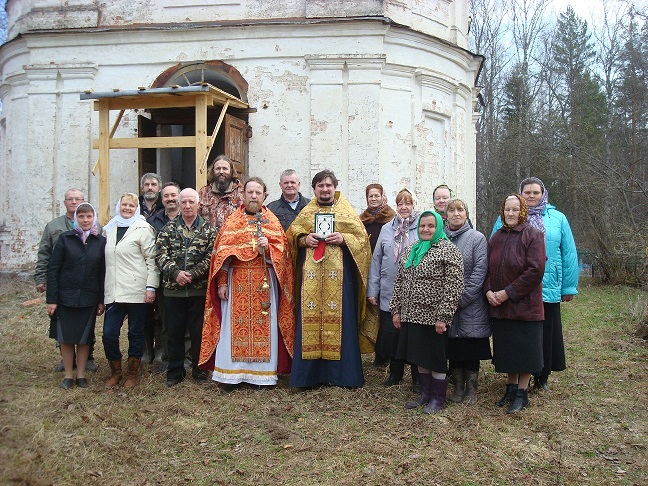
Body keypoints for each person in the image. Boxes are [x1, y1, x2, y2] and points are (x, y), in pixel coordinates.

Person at [199, 177, 295, 386]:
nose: (253, 196)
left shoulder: (273, 221)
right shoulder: (233, 221)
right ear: (243, 195)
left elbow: (284, 254)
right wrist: (222, 282)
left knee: (265, 326)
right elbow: (222, 256)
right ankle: (230, 376)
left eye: (257, 193)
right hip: (237, 283)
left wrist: (269, 247)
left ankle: (262, 377)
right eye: (250, 192)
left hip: (264, 284)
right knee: (232, 328)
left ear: (264, 196)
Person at [491, 177, 578, 392]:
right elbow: (494, 253)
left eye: (535, 192)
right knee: (521, 335)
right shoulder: (507, 218)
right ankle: (518, 381)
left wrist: (568, 286)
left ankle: (542, 376)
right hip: (514, 289)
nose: (531, 196)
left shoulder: (557, 218)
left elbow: (568, 253)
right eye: (527, 192)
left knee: (545, 334)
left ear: (543, 194)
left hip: (548, 286)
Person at [287, 170, 372, 388]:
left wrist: (345, 238)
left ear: (335, 187)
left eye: (328, 186)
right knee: (309, 322)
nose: (325, 189)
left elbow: (361, 240)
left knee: (342, 321)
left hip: (340, 280)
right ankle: (308, 377)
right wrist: (305, 239)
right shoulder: (307, 211)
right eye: (320, 186)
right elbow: (291, 236)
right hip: (311, 280)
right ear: (314, 189)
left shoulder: (346, 211)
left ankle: (344, 376)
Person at [390, 210, 464, 414]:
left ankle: (438, 399)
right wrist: (396, 310)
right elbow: (399, 282)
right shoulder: (411, 250)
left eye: (431, 226)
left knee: (435, 358)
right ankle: (425, 394)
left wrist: (443, 317)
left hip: (434, 318)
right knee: (420, 357)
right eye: (423, 225)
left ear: (439, 227)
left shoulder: (448, 250)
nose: (426, 229)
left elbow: (454, 286)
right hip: (411, 315)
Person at [486, 194, 546, 414]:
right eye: (506, 210)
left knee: (525, 350)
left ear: (522, 211)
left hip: (525, 306)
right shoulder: (497, 237)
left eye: (514, 210)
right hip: (501, 307)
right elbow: (488, 268)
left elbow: (535, 270)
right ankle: (510, 388)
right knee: (508, 350)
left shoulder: (533, 235)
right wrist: (489, 291)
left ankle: (522, 393)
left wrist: (508, 293)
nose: (510, 214)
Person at [156, 188, 217, 387]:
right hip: (173, 291)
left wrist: (193, 274)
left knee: (198, 332)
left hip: (198, 290)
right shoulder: (168, 229)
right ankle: (175, 372)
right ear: (179, 205)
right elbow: (160, 255)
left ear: (199, 204)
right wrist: (176, 273)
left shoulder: (209, 230)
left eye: (192, 202)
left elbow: (212, 256)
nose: (188, 206)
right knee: (174, 332)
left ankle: (200, 371)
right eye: (184, 202)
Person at [35, 188, 101, 372]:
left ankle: (86, 358)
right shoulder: (55, 228)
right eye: (70, 199)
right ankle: (66, 361)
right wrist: (41, 278)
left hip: (88, 290)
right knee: (63, 327)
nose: (73, 201)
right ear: (64, 202)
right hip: (65, 287)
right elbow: (46, 254)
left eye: (77, 199)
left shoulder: (98, 231)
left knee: (86, 328)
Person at [46, 203, 106, 389]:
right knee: (65, 337)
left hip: (89, 297)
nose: (85, 220)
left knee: (83, 337)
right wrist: (52, 299)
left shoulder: (100, 241)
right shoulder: (65, 239)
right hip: (65, 297)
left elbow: (103, 273)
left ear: (93, 218)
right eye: (81, 216)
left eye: (89, 216)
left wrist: (101, 300)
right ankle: (68, 375)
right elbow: (54, 269)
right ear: (76, 219)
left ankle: (81, 375)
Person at [102, 193, 159, 388]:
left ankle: (132, 373)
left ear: (137, 209)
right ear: (119, 206)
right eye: (124, 205)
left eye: (131, 206)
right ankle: (116, 371)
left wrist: (151, 287)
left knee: (135, 334)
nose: (127, 208)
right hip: (114, 290)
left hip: (137, 290)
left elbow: (152, 260)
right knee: (109, 334)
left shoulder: (143, 228)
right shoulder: (109, 229)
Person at [367, 188, 420, 388]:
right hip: (389, 292)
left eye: (408, 203)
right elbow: (377, 260)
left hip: (414, 293)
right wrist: (373, 290)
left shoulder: (422, 227)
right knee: (393, 335)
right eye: (400, 204)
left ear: (414, 205)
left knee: (413, 335)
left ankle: (417, 377)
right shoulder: (387, 229)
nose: (404, 207)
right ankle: (395, 374)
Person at [443, 197, 491, 405]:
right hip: (446, 305)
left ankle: (472, 388)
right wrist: (447, 300)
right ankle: (457, 387)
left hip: (471, 305)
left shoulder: (477, 238)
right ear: (445, 215)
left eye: (460, 209)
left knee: (470, 348)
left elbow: (480, 270)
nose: (456, 213)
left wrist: (461, 299)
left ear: (466, 213)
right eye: (451, 210)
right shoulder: (440, 238)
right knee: (453, 348)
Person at [148, 182, 182, 368]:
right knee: (165, 320)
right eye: (166, 196)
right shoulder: (153, 222)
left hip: (189, 279)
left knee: (185, 322)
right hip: (164, 278)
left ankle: (186, 357)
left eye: (173, 195)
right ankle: (167, 357)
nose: (170, 199)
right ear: (162, 199)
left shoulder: (189, 217)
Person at [198, 155, 243, 234]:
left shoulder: (242, 193)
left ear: (231, 171)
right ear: (213, 171)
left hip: (233, 242)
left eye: (225, 168)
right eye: (218, 168)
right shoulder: (203, 193)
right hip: (210, 243)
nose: (221, 172)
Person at [359, 183, 396, 252]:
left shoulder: (392, 218)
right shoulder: (362, 219)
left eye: (377, 196)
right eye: (370, 196)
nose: (373, 199)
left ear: (382, 197)